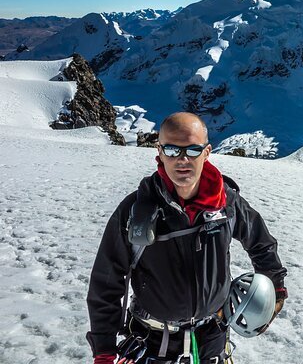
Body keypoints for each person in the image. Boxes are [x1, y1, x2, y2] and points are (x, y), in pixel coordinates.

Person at [86, 112, 287, 364]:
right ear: (158, 152)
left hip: (212, 339)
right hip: (152, 343)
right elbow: (107, 279)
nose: (182, 159)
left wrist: (275, 287)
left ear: (207, 152)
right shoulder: (135, 210)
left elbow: (260, 242)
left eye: (192, 150)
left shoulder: (226, 204)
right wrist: (104, 349)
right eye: (172, 150)